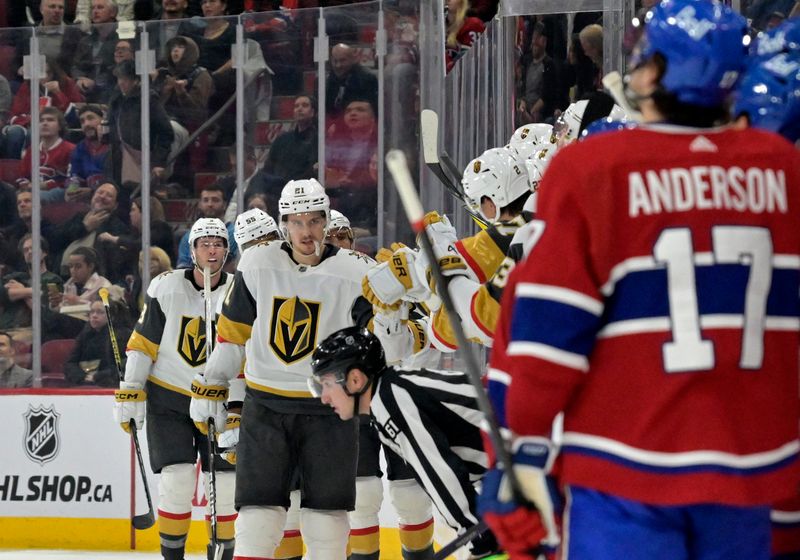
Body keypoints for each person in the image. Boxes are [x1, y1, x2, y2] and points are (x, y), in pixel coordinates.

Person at [479, 2, 800, 559]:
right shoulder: (782, 172)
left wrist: (515, 457)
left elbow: (543, 344)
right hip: (751, 478)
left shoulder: (594, 169)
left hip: (625, 473)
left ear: (653, 72)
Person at [189, 179, 419, 559]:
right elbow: (232, 337)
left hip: (328, 409)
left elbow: (385, 346)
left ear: (326, 221)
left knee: (327, 522)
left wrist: (397, 311)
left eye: (313, 220)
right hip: (265, 407)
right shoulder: (258, 262)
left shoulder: (356, 271)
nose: (305, 231)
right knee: (257, 520)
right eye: (296, 221)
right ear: (283, 223)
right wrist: (212, 384)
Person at [309, 327, 499, 558]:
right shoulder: (390, 393)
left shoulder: (392, 401)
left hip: (534, 451)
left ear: (355, 379)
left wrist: (472, 529)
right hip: (522, 456)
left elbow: (440, 472)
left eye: (327, 384)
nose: (324, 397)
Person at [113, 217, 239, 560]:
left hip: (223, 399)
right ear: (192, 249)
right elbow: (143, 344)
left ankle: (225, 553)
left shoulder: (240, 290)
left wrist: (240, 401)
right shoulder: (165, 286)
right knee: (177, 479)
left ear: (227, 249)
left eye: (218, 243)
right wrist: (132, 390)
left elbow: (248, 350)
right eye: (204, 243)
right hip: (169, 397)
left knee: (225, 483)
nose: (212, 250)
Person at [107, 60, 176, 186]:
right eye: (119, 78)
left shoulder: (148, 99)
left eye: (125, 79)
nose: (121, 83)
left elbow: (165, 132)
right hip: (119, 161)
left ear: (136, 80)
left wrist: (158, 162)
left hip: (143, 161)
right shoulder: (116, 100)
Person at [51, 181, 131, 281]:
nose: (102, 197)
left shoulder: (118, 228)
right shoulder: (79, 217)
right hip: (64, 278)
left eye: (109, 195)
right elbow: (54, 240)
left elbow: (113, 263)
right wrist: (84, 227)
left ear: (115, 205)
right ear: (92, 197)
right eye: (100, 192)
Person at [64, 298, 131, 387]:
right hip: (85, 382)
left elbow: (126, 364)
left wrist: (98, 376)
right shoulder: (85, 334)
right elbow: (70, 363)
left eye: (100, 312)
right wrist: (82, 376)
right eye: (92, 312)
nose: (94, 316)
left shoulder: (122, 335)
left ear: (111, 316)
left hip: (112, 384)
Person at [18, 107, 77, 201]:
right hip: (31, 191)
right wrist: (25, 185)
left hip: (58, 192)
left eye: (50, 120)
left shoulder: (71, 149)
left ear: (60, 126)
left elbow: (72, 179)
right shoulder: (32, 150)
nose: (45, 123)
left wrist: (47, 185)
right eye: (41, 121)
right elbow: (22, 176)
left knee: (36, 199)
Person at [177, 184, 237, 269]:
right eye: (205, 200)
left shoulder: (235, 233)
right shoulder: (188, 237)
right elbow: (183, 268)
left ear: (224, 205)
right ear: (200, 204)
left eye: (215, 200)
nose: (210, 204)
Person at [70, 0, 119, 103]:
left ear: (113, 12)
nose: (95, 11)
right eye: (93, 8)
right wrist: (79, 79)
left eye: (100, 7)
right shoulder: (85, 40)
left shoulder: (121, 39)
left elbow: (119, 68)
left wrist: (95, 83)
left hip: (113, 92)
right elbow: (76, 66)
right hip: (87, 93)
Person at [325, 43, 378, 120]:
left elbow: (369, 112)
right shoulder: (328, 79)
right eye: (335, 61)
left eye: (342, 60)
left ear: (353, 59)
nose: (338, 65)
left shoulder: (366, 79)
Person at [67, 104, 111, 196]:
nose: (86, 124)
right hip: (86, 198)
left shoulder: (114, 145)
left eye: (91, 118)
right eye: (82, 121)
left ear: (103, 120)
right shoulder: (80, 148)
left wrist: (92, 191)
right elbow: (75, 176)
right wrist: (71, 191)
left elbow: (116, 181)